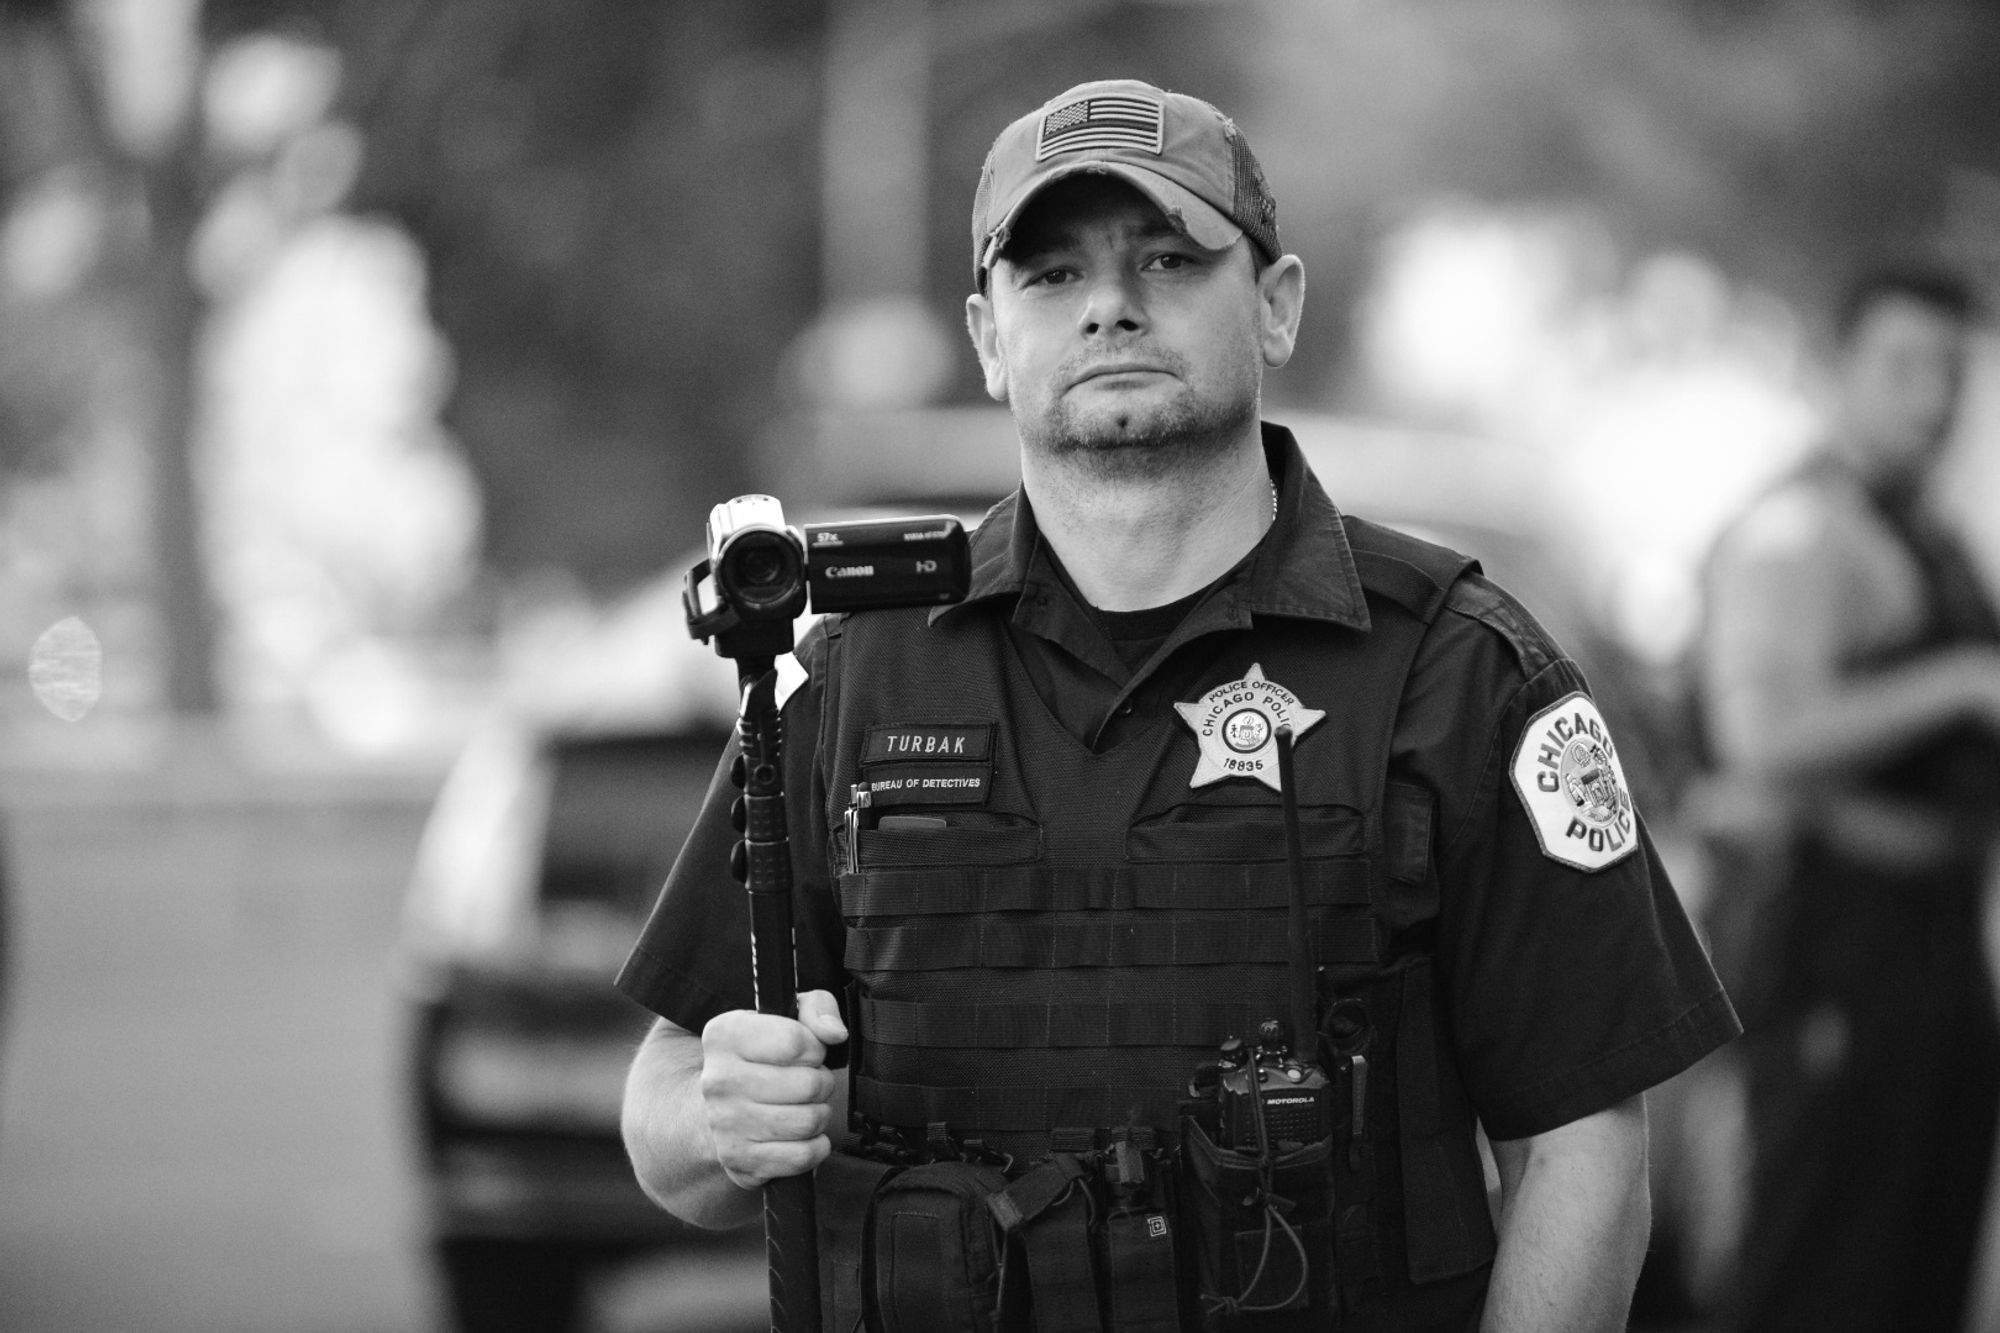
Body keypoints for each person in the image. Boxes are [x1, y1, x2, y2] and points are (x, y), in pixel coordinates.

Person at [617, 78, 1737, 1332]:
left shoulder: (1462, 674)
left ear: (1273, 305)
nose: (1109, 305)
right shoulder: (855, 674)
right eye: (1049, 276)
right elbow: (665, 1102)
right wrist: (722, 1117)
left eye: (1167, 257)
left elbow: (1580, 1142)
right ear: (988, 338)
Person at [1700, 267, 2000, 1333]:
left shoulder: (1931, 532)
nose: (1933, 397)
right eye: (1904, 366)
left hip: (1935, 933)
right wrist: (1959, 685)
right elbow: (1761, 738)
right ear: (1836, 371)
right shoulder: (1798, 532)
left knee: (1918, 1269)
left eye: (1951, 371)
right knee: (1820, 1269)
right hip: (1834, 931)